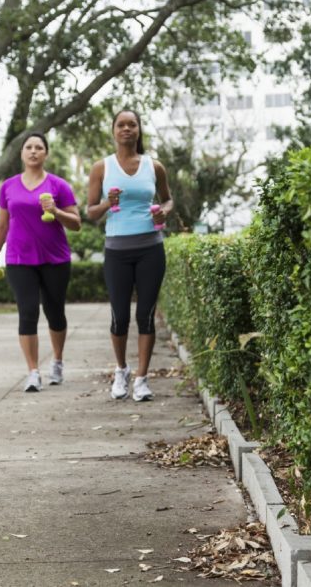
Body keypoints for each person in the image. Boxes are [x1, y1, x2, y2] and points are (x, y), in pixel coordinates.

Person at [86, 109, 173, 402]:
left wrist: (164, 211)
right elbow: (90, 212)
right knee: (119, 317)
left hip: (151, 249)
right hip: (117, 251)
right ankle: (121, 370)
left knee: (145, 315)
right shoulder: (102, 167)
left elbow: (168, 199)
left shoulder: (154, 166)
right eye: (121, 125)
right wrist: (107, 204)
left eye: (131, 124)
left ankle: (142, 379)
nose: (126, 129)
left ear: (138, 130)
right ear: (113, 131)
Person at [0, 132, 81, 392]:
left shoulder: (59, 186)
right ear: (21, 153)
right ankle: (32, 371)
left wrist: (57, 211)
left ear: (46, 153)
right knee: (27, 312)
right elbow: (3, 224)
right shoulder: (8, 186)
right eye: (28, 147)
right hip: (19, 259)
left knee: (55, 313)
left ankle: (58, 361)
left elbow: (75, 223)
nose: (33, 151)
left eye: (39, 147)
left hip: (55, 259)